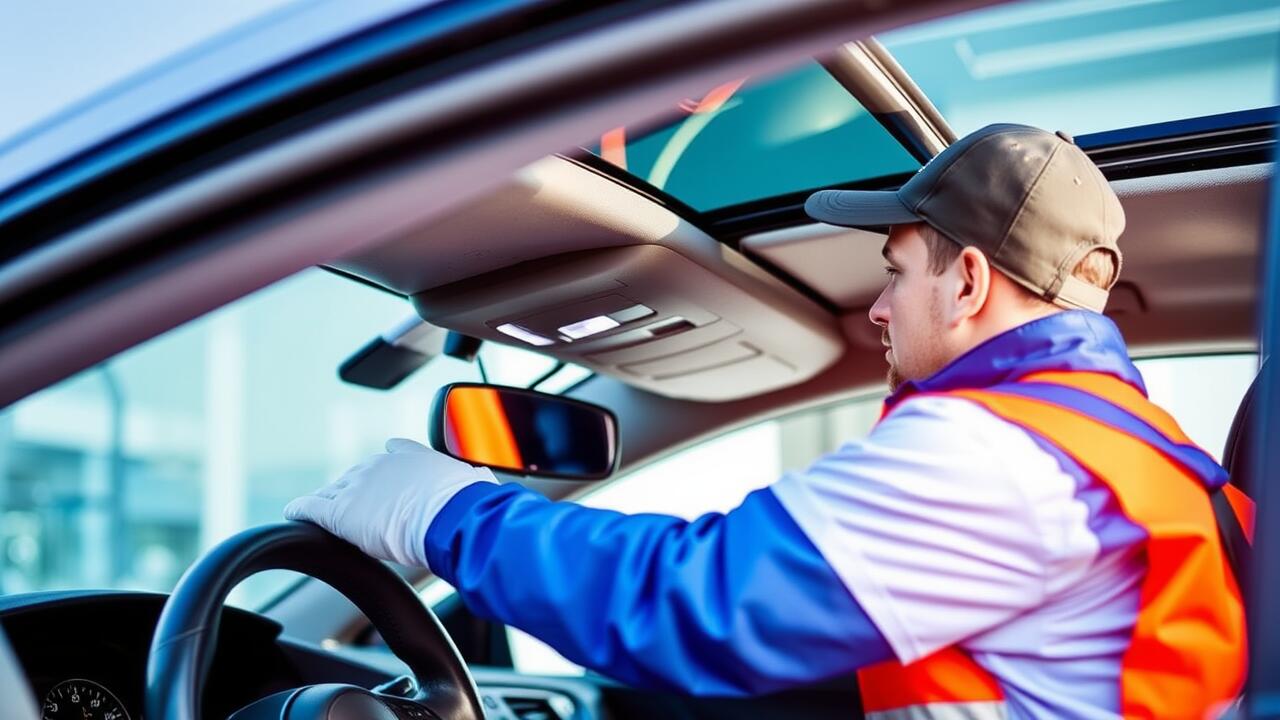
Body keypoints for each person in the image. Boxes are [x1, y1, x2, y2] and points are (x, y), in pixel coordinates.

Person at [286, 124, 1250, 719]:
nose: (878, 308)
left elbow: (696, 604)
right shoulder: (1147, 459)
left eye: (893, 272)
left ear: (967, 280)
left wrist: (440, 512)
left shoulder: (1003, 455)